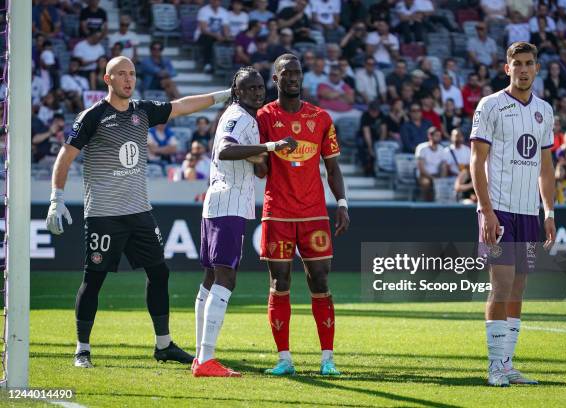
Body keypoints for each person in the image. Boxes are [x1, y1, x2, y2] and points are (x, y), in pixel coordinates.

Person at [45, 56, 233, 369]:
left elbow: (182, 105)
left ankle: (163, 345)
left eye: (131, 73)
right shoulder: (92, 116)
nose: (128, 79)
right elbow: (65, 157)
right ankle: (82, 349)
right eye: (121, 74)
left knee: (159, 272)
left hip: (138, 211)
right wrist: (56, 198)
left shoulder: (142, 110)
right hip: (104, 214)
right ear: (108, 79)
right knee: (94, 280)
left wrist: (222, 96)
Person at [192, 67, 297, 377]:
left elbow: (258, 168)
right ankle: (206, 359)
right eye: (249, 87)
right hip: (229, 203)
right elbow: (225, 150)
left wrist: (261, 157)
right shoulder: (239, 116)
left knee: (211, 278)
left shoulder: (242, 116)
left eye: (260, 86)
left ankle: (201, 356)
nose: (256, 91)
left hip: (219, 201)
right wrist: (271, 147)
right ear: (236, 91)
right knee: (226, 278)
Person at [256, 53, 350, 376]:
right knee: (279, 282)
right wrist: (260, 156)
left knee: (320, 281)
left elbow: (333, 168)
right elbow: (260, 169)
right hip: (278, 212)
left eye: (297, 73)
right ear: (275, 79)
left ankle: (328, 359)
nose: (293, 78)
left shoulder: (321, 117)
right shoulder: (264, 117)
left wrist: (342, 204)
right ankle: (284, 358)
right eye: (286, 73)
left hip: (314, 213)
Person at [470, 42, 556, 387]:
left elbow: (546, 167)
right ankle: (494, 366)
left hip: (529, 213)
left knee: (518, 289)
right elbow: (476, 160)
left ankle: (508, 365)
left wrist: (548, 210)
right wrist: (487, 210)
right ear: (507, 68)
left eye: (529, 63)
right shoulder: (490, 105)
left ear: (536, 68)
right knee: (502, 286)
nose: (523, 69)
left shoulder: (545, 111)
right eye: (517, 63)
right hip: (499, 211)